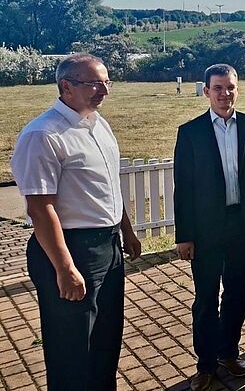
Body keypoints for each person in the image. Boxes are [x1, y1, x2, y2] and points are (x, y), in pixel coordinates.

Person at [11, 53, 142, 391]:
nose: (104, 91)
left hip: (108, 245)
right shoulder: (44, 135)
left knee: (105, 337)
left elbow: (109, 185)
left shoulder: (98, 124)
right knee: (71, 347)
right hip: (71, 249)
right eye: (94, 83)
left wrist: (125, 230)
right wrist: (65, 267)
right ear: (65, 86)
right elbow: (41, 209)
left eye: (107, 82)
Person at [173, 64, 245, 391]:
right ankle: (205, 364)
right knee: (206, 299)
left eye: (230, 87)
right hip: (205, 231)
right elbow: (183, 188)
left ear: (237, 89)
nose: (224, 94)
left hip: (243, 226)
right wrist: (184, 235)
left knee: (236, 293)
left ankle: (229, 352)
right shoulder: (190, 132)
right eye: (217, 88)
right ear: (206, 91)